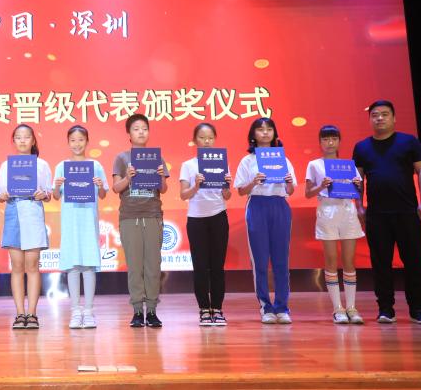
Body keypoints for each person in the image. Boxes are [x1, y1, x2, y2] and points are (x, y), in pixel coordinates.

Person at [353, 100, 421, 325]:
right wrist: (359, 206)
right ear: (370, 119)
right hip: (376, 214)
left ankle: (418, 309)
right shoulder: (362, 147)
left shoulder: (409, 142)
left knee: (413, 261)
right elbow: (357, 179)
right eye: (375, 115)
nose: (380, 118)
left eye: (385, 114)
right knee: (381, 263)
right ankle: (386, 309)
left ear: (394, 118)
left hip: (407, 211)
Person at [234, 117, 296, 324]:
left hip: (279, 206)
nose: (265, 133)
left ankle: (282, 307)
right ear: (253, 134)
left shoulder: (283, 159)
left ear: (274, 133)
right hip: (257, 206)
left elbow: (290, 190)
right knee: (260, 260)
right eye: (261, 129)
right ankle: (265, 306)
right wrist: (254, 182)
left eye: (269, 129)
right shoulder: (248, 161)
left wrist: (288, 182)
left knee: (281, 259)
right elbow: (241, 190)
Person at [112, 114, 169, 328]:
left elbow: (163, 189)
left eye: (144, 128)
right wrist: (128, 177)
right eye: (136, 128)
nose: (141, 132)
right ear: (129, 133)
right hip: (129, 216)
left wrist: (161, 176)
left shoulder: (157, 158)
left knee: (153, 265)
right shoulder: (122, 158)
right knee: (135, 266)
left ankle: (152, 310)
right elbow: (116, 188)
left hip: (153, 215)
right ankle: (137, 310)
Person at [304, 125, 365, 324]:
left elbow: (357, 190)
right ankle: (337, 308)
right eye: (325, 139)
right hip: (327, 212)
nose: (330, 143)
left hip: (347, 212)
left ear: (339, 141)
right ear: (320, 142)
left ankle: (352, 308)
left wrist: (357, 186)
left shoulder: (348, 165)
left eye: (333, 139)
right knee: (331, 260)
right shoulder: (314, 165)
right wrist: (321, 186)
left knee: (349, 261)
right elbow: (308, 193)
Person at [52, 125, 109, 329]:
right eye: (73, 140)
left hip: (88, 220)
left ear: (87, 141)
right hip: (70, 221)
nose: (77, 144)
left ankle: (89, 311)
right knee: (73, 265)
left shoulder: (95, 165)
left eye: (81, 140)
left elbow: (103, 194)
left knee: (89, 264)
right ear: (68, 143)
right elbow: (55, 196)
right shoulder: (62, 166)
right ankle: (75, 311)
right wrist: (57, 186)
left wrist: (100, 185)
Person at [0, 124, 52, 330]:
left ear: (33, 140)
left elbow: (48, 193)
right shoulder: (6, 165)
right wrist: (2, 196)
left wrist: (43, 195)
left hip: (33, 212)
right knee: (17, 266)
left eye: (26, 137)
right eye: (18, 137)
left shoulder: (42, 164)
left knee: (33, 265)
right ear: (14, 141)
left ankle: (32, 313)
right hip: (13, 212)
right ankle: (20, 314)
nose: (22, 140)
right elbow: (0, 195)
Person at [178, 123, 232, 326]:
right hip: (196, 219)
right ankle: (204, 309)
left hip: (218, 216)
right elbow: (183, 195)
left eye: (210, 138)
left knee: (217, 266)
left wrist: (226, 185)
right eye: (202, 137)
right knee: (200, 266)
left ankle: (217, 308)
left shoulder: (222, 163)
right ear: (195, 140)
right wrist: (196, 185)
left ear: (215, 139)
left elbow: (227, 195)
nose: (206, 141)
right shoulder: (188, 165)